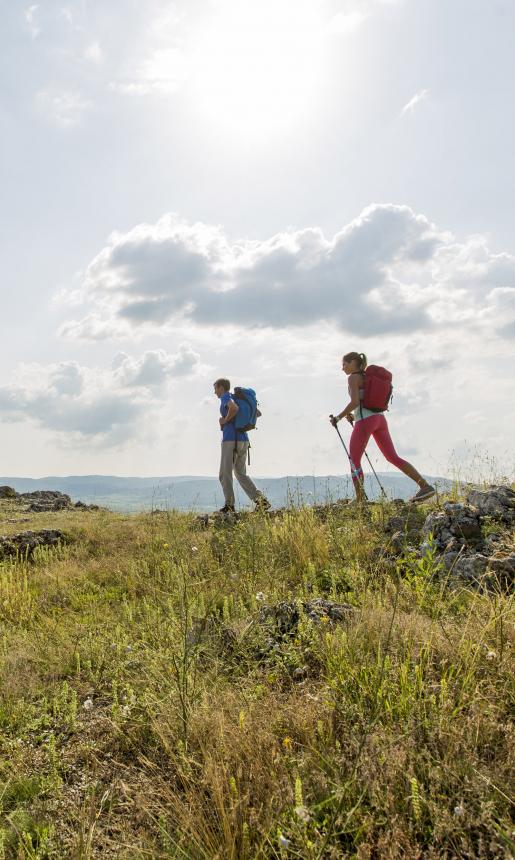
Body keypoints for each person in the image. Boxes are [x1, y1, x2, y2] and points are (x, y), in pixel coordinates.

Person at [330, 352, 435, 503]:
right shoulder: (368, 378)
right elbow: (363, 401)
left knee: (354, 460)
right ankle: (425, 486)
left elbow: (354, 402)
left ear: (353, 362)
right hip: (380, 420)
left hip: (366, 421)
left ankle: (360, 501)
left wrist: (338, 417)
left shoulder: (353, 378)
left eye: (344, 364)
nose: (342, 368)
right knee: (393, 457)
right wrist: (354, 415)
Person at [213, 378, 271, 513]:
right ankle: (261, 502)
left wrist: (224, 421)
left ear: (221, 388)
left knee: (224, 473)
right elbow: (258, 413)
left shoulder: (226, 397)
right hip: (244, 439)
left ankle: (229, 506)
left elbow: (234, 408)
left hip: (230, 440)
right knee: (240, 473)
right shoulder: (240, 398)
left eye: (215, 388)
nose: (214, 392)